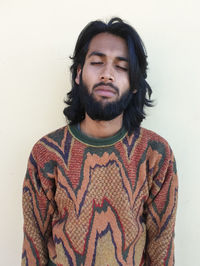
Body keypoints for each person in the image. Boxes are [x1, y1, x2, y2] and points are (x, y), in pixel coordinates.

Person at [22, 17, 178, 266]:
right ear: (78, 73)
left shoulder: (155, 154)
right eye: (97, 62)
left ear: (135, 84)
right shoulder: (47, 153)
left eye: (122, 67)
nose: (107, 74)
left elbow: (162, 248)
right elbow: (33, 247)